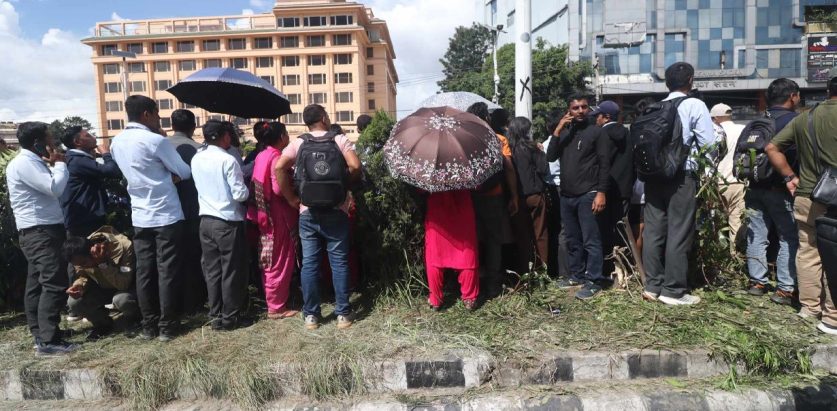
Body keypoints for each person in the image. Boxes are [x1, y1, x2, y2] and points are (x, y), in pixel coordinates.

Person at [110, 95, 192, 342]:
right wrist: (169, 175)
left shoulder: (116, 142)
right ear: (146, 114)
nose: (159, 119)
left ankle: (148, 325)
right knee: (166, 271)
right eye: (157, 114)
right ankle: (167, 326)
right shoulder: (155, 140)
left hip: (140, 215)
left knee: (144, 272)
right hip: (165, 213)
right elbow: (184, 171)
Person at [275, 104, 361, 330]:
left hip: (308, 212)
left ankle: (311, 316)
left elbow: (279, 167)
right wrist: (343, 188)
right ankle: (343, 314)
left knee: (310, 264)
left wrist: (292, 199)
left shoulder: (299, 143)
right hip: (336, 210)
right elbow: (355, 165)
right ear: (324, 117)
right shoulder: (339, 140)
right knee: (339, 262)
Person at [766, 67, 837, 335]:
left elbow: (771, 147)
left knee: (808, 253)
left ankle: (809, 309)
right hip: (834, 202)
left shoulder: (805, 118)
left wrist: (789, 177)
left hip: (807, 195)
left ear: (828, 91)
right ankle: (833, 316)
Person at [640, 62, 716, 305]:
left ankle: (652, 285)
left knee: (653, 231)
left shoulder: (656, 106)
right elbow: (708, 145)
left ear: (667, 83)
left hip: (652, 177)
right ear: (691, 81)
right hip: (682, 175)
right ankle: (673, 291)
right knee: (679, 231)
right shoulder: (695, 104)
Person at [6, 121, 76, 355]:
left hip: (40, 230)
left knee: (36, 283)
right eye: (49, 138)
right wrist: (59, 165)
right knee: (53, 282)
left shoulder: (31, 161)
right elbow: (54, 188)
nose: (53, 142)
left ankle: (41, 333)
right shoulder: (25, 163)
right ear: (37, 142)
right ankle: (48, 340)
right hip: (40, 231)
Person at [546, 94, 611, 300]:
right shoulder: (565, 133)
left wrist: (601, 192)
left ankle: (594, 279)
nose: (581, 111)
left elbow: (604, 163)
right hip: (567, 194)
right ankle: (576, 275)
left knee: (591, 239)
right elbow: (550, 156)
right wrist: (557, 130)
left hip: (588, 192)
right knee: (573, 239)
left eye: (584, 107)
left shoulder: (596, 132)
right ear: (569, 111)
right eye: (575, 108)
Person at [743, 79, 800, 304]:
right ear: (792, 96)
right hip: (781, 187)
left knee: (757, 234)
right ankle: (785, 288)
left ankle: (758, 282)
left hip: (754, 186)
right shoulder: (794, 121)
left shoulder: (758, 120)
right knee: (788, 236)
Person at [191, 120, 251, 331]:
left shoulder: (197, 158)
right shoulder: (227, 160)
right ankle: (231, 317)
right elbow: (239, 194)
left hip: (205, 220)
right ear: (224, 136)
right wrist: (249, 189)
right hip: (227, 221)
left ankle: (215, 314)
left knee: (213, 271)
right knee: (231, 271)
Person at [248, 122, 299, 319]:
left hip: (264, 214)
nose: (288, 137)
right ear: (281, 137)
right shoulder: (276, 157)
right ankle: (277, 306)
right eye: (286, 134)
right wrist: (293, 198)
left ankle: (273, 300)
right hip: (278, 215)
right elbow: (278, 188)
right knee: (279, 259)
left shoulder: (261, 154)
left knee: (268, 257)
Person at [467, 103, 518, 298]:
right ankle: (493, 286)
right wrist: (513, 196)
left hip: (469, 197)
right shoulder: (499, 139)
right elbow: (510, 169)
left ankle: (473, 282)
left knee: (472, 240)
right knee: (494, 241)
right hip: (493, 195)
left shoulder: (464, 139)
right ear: (487, 118)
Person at [62, 226, 138, 339]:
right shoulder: (78, 253)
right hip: (103, 287)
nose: (84, 266)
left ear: (91, 251)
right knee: (74, 302)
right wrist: (79, 285)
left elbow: (124, 284)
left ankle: (136, 319)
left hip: (128, 288)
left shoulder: (124, 246)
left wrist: (103, 264)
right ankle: (103, 324)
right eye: (80, 264)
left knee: (122, 300)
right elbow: (83, 274)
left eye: (84, 263)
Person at [167, 109, 206, 315]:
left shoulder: (161, 148)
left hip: (165, 214)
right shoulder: (199, 150)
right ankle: (195, 303)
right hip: (193, 211)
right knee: (194, 258)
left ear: (172, 125)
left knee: (171, 260)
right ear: (194, 126)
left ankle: (174, 303)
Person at [592, 101, 634, 273]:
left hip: (605, 190)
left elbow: (601, 162)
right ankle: (622, 268)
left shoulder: (601, 135)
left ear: (606, 117)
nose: (595, 118)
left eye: (598, 115)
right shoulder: (627, 133)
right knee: (621, 229)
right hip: (624, 189)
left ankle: (606, 268)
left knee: (603, 230)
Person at [59, 126, 122, 237]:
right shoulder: (78, 160)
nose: (93, 137)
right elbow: (113, 172)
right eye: (87, 136)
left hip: (84, 217)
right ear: (77, 142)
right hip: (84, 220)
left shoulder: (74, 158)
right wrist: (106, 154)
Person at [424, 190, 480, 311]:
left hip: (437, 210)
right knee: (466, 252)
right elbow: (478, 186)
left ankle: (435, 300)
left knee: (435, 255)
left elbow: (420, 189)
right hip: (463, 207)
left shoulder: (430, 173)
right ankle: (470, 299)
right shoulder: (465, 170)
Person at [507, 117, 549, 267]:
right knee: (540, 234)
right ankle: (542, 269)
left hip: (515, 198)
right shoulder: (533, 148)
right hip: (535, 195)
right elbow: (543, 169)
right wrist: (542, 152)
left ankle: (525, 269)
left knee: (522, 236)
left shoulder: (508, 150)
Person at [711, 103, 746, 253]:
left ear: (716, 118)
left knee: (716, 225)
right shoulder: (743, 129)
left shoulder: (713, 130)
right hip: (738, 182)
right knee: (736, 223)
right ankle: (735, 257)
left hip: (715, 184)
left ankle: (718, 258)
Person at [542, 114, 570, 279]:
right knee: (564, 230)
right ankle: (565, 271)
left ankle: (553, 268)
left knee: (553, 229)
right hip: (561, 188)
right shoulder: (561, 144)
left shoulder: (544, 145)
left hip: (548, 188)